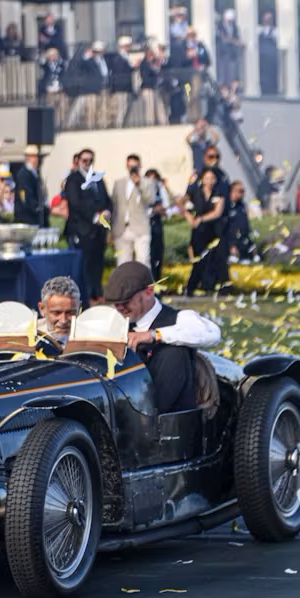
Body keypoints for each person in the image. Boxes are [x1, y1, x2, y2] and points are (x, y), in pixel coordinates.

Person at [105, 262, 220, 414]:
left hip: (168, 419)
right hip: (122, 414)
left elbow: (212, 333)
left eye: (126, 302)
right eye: (117, 305)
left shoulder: (179, 318)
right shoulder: (116, 324)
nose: (120, 309)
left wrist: (155, 335)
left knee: (173, 352)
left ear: (148, 291)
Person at [63, 149, 111, 302]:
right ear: (78, 161)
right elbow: (76, 203)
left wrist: (107, 212)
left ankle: (97, 292)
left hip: (98, 229)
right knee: (85, 264)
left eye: (90, 160)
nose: (87, 163)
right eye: (84, 160)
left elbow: (106, 199)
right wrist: (94, 216)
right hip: (82, 228)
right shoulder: (73, 179)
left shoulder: (97, 178)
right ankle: (86, 294)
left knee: (97, 261)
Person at [183, 167, 227, 295]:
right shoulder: (195, 193)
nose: (210, 181)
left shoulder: (218, 193)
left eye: (212, 178)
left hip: (212, 229)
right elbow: (181, 204)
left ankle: (208, 286)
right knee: (198, 259)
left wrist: (201, 218)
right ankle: (192, 286)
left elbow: (217, 212)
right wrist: (189, 217)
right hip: (198, 231)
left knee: (212, 258)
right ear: (202, 179)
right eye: (207, 178)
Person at [110, 154, 156, 268]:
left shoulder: (148, 182)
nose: (133, 169)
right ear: (126, 166)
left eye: (135, 166)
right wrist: (111, 229)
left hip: (140, 227)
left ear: (140, 166)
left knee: (143, 261)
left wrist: (139, 184)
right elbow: (113, 206)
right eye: (130, 166)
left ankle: (145, 285)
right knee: (123, 262)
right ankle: (125, 285)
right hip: (121, 228)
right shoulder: (119, 183)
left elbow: (150, 200)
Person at [36, 276, 81, 347]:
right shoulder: (25, 337)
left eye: (70, 313)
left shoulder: (92, 338)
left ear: (79, 308)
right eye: (56, 313)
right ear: (42, 308)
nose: (63, 320)